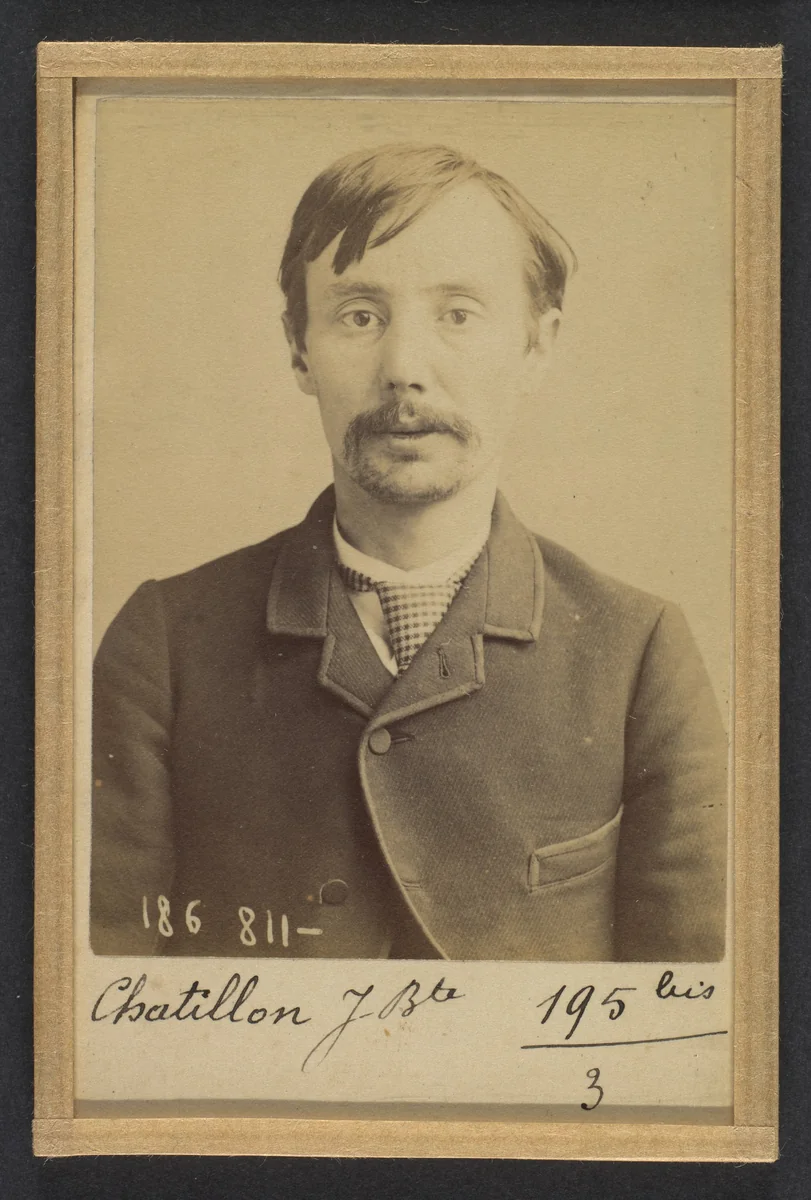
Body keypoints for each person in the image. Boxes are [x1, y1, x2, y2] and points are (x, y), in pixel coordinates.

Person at [90, 143, 727, 961]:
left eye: (457, 314)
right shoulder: (165, 642)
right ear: (298, 349)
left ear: (535, 346)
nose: (403, 369)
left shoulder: (638, 650)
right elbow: (100, 997)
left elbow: (691, 1009)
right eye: (359, 316)